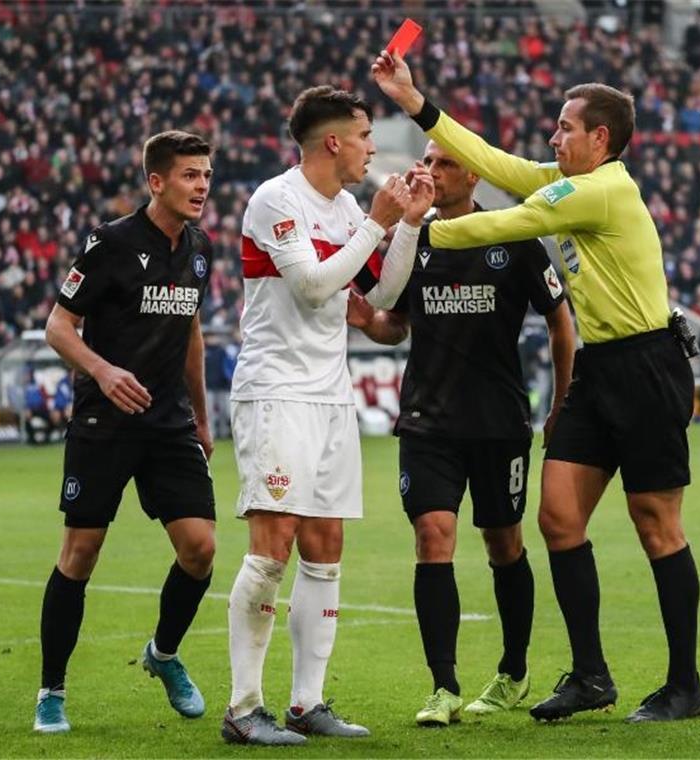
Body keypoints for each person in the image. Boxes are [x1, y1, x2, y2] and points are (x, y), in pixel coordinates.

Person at [372, 52, 700, 723]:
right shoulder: (566, 179)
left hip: (646, 366)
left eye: (564, 128)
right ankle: (590, 675)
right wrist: (417, 103)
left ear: (599, 139)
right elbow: (494, 163)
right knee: (557, 517)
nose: (553, 139)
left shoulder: (603, 188)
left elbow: (505, 221)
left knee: (656, 524)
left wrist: (414, 227)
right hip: (600, 369)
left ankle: (684, 685)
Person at [223, 85, 434, 746]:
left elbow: (382, 291)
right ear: (333, 141)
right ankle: (243, 708)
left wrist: (410, 224)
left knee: (325, 547)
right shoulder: (276, 199)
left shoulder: (345, 206)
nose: (374, 146)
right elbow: (315, 287)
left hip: (329, 394)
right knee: (273, 542)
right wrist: (377, 220)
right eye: (366, 134)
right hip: (276, 390)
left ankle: (305, 703)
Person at [346, 140, 576, 727]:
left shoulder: (513, 236)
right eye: (425, 161)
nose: (430, 172)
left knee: (505, 545)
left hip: (498, 423)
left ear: (473, 173)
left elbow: (560, 322)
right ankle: (442, 687)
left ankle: (514, 670)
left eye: (443, 163)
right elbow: (394, 325)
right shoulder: (413, 239)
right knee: (433, 535)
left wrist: (561, 403)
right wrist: (368, 321)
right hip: (427, 421)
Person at [33, 130, 218, 733]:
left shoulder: (199, 247)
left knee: (201, 549)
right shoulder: (109, 243)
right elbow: (59, 326)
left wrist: (202, 413)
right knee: (81, 554)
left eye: (206, 176)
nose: (202, 187)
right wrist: (103, 369)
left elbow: (190, 331)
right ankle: (51, 692)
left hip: (168, 423)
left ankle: (163, 655)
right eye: (190, 176)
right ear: (156, 181)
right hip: (103, 421)